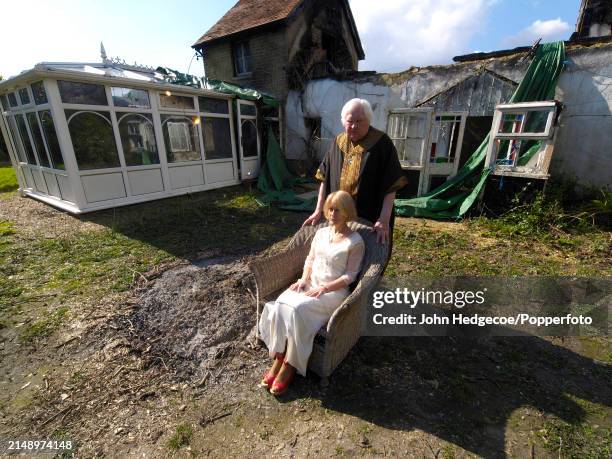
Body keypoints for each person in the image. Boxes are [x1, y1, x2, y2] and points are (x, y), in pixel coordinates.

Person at [258, 191, 365, 395]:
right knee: (281, 302)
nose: (333, 213)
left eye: (338, 210)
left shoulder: (356, 241)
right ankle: (279, 356)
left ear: (347, 212)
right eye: (330, 209)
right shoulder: (321, 232)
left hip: (333, 293)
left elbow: (351, 276)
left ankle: (291, 365)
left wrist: (324, 288)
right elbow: (310, 260)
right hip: (310, 284)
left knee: (298, 309)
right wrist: (303, 280)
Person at [303, 98, 407, 247]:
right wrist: (319, 209)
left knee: (367, 258)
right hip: (338, 217)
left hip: (369, 219)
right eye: (350, 121)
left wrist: (384, 219)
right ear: (343, 121)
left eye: (359, 121)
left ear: (369, 120)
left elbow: (391, 185)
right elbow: (324, 178)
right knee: (337, 254)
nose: (354, 126)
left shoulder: (382, 143)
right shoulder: (338, 142)